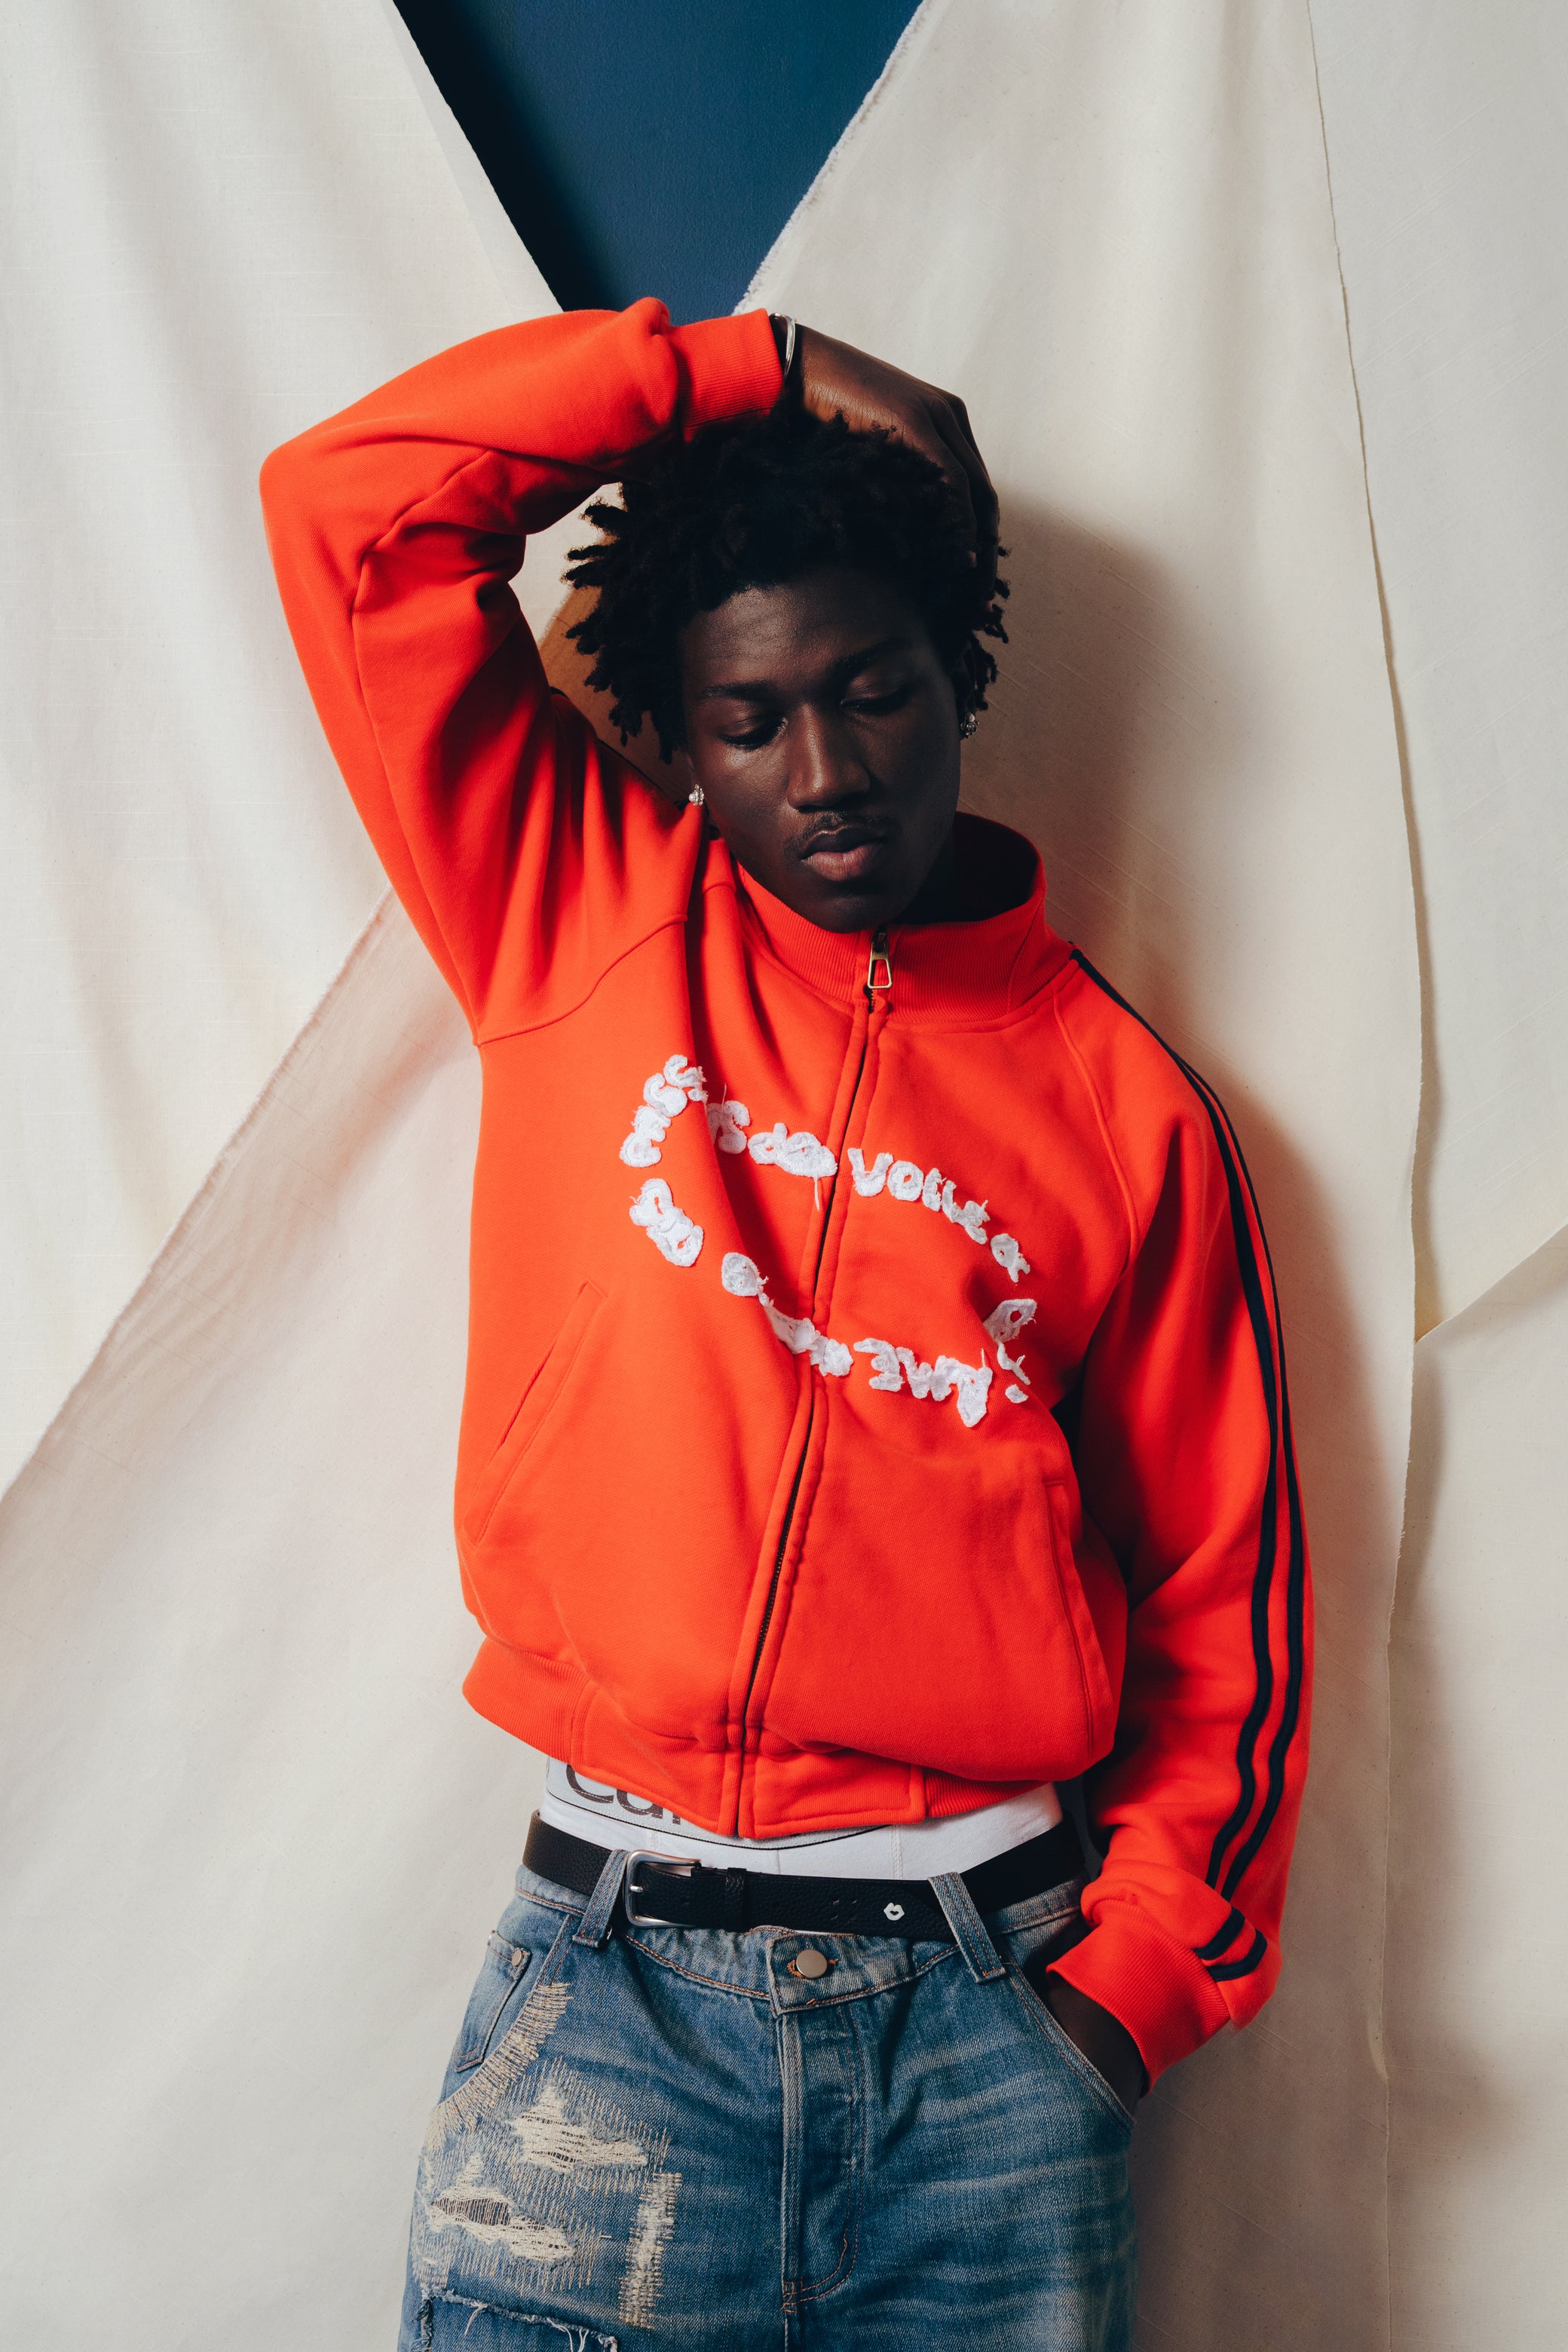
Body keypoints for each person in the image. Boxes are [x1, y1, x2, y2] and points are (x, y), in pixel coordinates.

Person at [261, 299, 1311, 2350]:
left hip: (989, 2026)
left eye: (874, 692)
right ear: (672, 736)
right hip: (612, 2002)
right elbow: (351, 512)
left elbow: (1228, 1600)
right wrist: (752, 362)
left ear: (955, 677)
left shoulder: (1124, 1109)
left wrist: (1121, 2005)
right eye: (751, 720)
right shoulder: (574, 913)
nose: (827, 772)